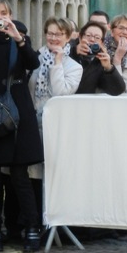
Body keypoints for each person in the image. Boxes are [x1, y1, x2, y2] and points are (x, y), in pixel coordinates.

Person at [0, 0, 43, 252]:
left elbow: (33, 63)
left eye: (3, 12)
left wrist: (18, 38)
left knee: (20, 176)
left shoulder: (19, 40)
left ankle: (32, 228)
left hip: (17, 113)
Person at [28, 17, 82, 215]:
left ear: (67, 37)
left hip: (56, 127)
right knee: (32, 175)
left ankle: (51, 220)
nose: (53, 38)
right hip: (33, 124)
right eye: (50, 33)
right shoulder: (34, 58)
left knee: (52, 175)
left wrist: (57, 63)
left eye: (59, 34)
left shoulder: (74, 67)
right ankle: (32, 221)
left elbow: (61, 94)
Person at [70, 20, 125, 95]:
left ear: (101, 42)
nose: (92, 39)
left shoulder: (99, 61)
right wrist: (74, 52)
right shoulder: (68, 50)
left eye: (97, 37)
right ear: (80, 37)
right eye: (88, 35)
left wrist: (108, 68)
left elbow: (117, 90)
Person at [105, 14, 127, 92]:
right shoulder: (101, 49)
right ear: (112, 31)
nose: (124, 32)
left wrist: (117, 59)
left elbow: (122, 88)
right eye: (121, 28)